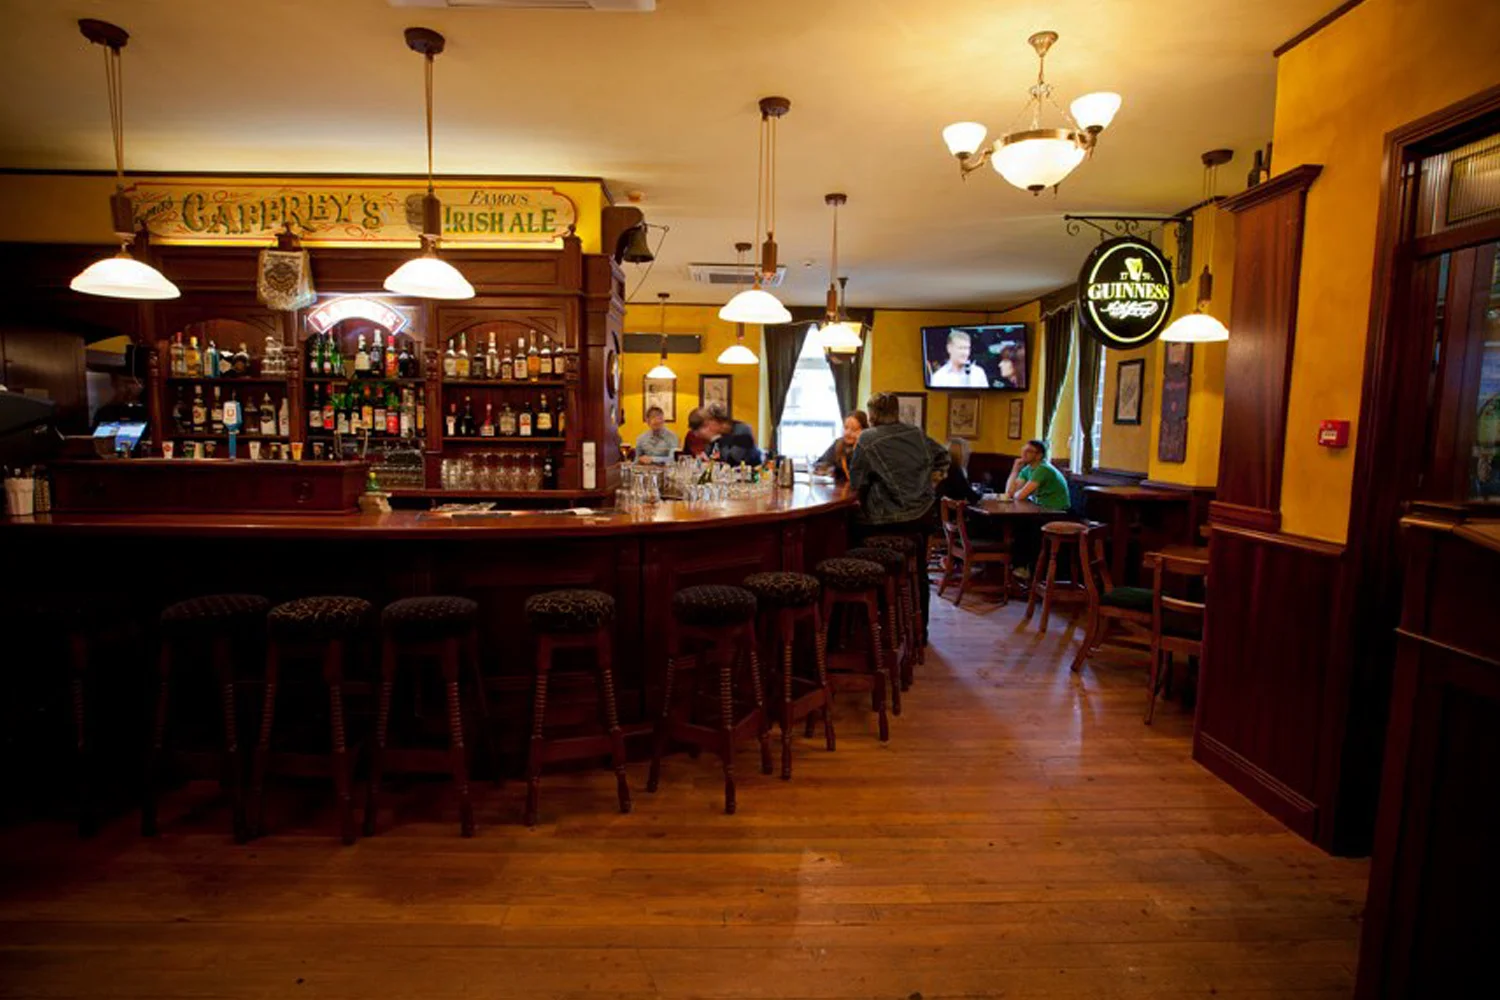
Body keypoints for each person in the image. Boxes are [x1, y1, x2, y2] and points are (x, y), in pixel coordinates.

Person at [849, 392, 950, 630]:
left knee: (853, 542)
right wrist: (933, 480)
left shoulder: (867, 438)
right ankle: (919, 630)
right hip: (922, 516)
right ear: (896, 411)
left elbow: (857, 483)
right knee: (919, 571)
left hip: (885, 520)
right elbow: (944, 455)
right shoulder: (915, 433)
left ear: (872, 414)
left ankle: (871, 623)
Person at [1005, 438, 1070, 511]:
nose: (1024, 453)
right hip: (1040, 507)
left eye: (1028, 451)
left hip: (1056, 510)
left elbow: (1020, 496)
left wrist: (1014, 494)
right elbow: (1009, 493)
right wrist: (1015, 470)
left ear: (1039, 455)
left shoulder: (1043, 469)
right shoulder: (1028, 469)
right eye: (1023, 450)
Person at [814, 410, 868, 482]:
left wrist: (857, 448)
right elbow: (818, 465)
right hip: (840, 490)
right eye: (846, 428)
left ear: (865, 431)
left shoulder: (869, 448)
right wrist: (829, 469)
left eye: (854, 429)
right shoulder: (838, 444)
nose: (847, 433)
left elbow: (860, 476)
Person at [935, 437, 982, 505]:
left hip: (937, 511)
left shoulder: (942, 466)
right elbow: (972, 496)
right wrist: (984, 495)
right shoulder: (955, 471)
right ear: (962, 453)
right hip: (953, 513)